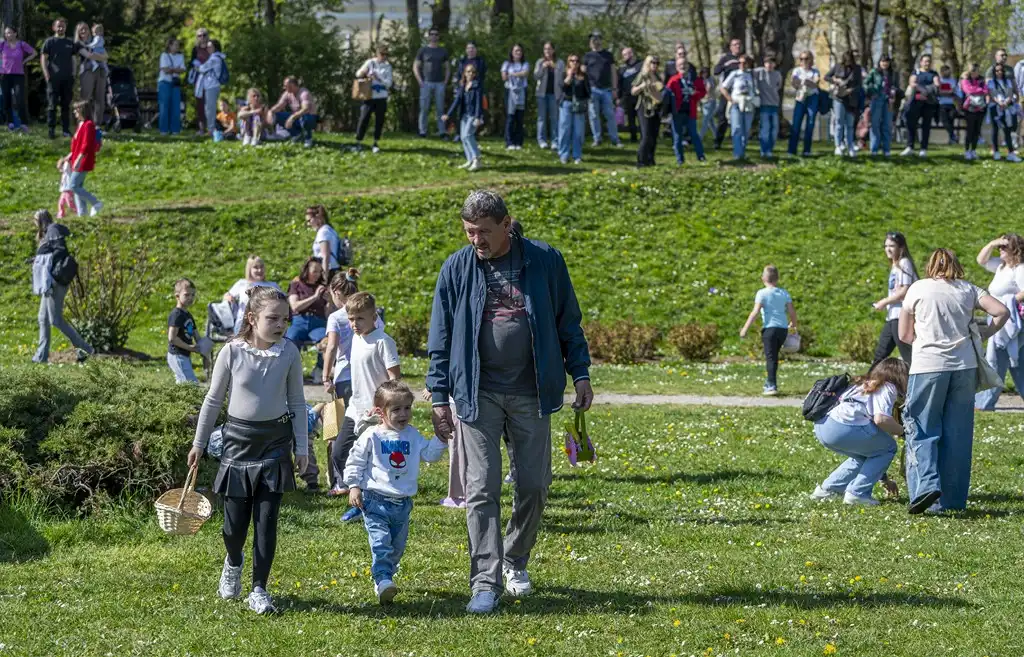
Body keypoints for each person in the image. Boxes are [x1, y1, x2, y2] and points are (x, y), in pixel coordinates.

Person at [427, 190, 593, 614]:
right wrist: (439, 395)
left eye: (484, 232)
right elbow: (441, 337)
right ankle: (485, 582)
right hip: (476, 393)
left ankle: (514, 561)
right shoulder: (457, 267)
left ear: (507, 224)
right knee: (481, 490)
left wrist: (581, 373)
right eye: (469, 232)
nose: (476, 240)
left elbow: (567, 320)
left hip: (532, 393)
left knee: (535, 486)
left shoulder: (544, 260)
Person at [188, 286, 308, 615]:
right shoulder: (232, 351)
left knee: (267, 522)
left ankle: (259, 589)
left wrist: (302, 446)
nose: (281, 325)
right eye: (273, 318)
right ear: (252, 319)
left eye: (285, 319)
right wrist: (199, 443)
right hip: (238, 443)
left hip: (275, 444)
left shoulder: (289, 353)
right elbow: (213, 400)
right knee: (233, 527)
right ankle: (234, 561)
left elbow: (297, 401)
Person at [899, 249, 1009, 514]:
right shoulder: (968, 290)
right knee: (958, 435)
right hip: (964, 367)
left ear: (930, 266)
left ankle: (926, 488)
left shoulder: (918, 288)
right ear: (956, 265)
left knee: (922, 428)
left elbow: (904, 334)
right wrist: (986, 332)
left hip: (928, 366)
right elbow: (1002, 311)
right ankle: (954, 499)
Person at [343, 380, 448, 604]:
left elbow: (429, 454)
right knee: (381, 543)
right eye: (396, 409)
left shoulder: (412, 435)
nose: (404, 414)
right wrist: (353, 485)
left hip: (402, 504)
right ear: (381, 412)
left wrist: (440, 438)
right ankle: (382, 580)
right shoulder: (372, 435)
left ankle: (386, 574)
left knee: (396, 549)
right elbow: (355, 460)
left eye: (407, 408)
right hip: (375, 502)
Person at [330, 292, 401, 523]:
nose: (354, 324)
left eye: (359, 319)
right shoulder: (357, 340)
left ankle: (368, 505)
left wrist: (382, 406)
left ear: (374, 316)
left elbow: (395, 381)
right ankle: (359, 497)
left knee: (376, 463)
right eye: (351, 319)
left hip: (376, 414)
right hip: (355, 410)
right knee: (339, 453)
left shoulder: (383, 341)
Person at [810, 358, 909, 506]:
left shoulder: (864, 384)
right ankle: (858, 493)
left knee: (864, 456)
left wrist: (884, 479)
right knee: (889, 447)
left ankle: (828, 490)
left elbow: (874, 450)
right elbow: (881, 419)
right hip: (843, 427)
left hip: (823, 426)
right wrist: (905, 432)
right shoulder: (887, 386)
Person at [321, 269, 378, 494]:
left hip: (345, 376)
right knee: (365, 427)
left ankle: (344, 481)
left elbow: (332, 347)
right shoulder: (372, 314)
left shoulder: (336, 317)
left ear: (335, 292)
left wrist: (326, 376)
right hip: (368, 377)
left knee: (341, 430)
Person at [30, 209, 94, 364]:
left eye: (35, 219)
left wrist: (44, 260)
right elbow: (52, 253)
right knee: (42, 318)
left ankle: (85, 349)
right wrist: (37, 259)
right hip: (50, 281)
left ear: (41, 219)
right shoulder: (48, 232)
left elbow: (60, 251)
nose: (33, 222)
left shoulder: (53, 229)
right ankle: (41, 357)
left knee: (56, 320)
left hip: (55, 282)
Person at [974, 235, 1024, 411]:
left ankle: (984, 403)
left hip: (1011, 321)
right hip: (999, 318)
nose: (1000, 250)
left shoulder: (1019, 269)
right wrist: (992, 242)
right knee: (1015, 362)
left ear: (1014, 249)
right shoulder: (1001, 267)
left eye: (1004, 247)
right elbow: (981, 260)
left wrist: (1008, 302)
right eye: (999, 248)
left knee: (998, 360)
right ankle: (984, 402)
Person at [739, 264, 798, 396]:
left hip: (769, 329)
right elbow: (792, 312)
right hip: (782, 330)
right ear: (777, 278)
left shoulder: (762, 293)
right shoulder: (784, 293)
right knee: (774, 357)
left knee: (770, 358)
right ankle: (770, 382)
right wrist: (793, 325)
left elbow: (755, 312)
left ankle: (771, 385)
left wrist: (745, 328)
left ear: (763, 278)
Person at [871, 232, 918, 369]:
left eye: (892, 245)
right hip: (892, 316)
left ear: (901, 247)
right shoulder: (895, 265)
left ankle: (917, 384)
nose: (888, 249)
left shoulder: (904, 263)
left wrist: (884, 302)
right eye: (886, 246)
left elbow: (904, 291)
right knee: (880, 355)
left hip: (902, 316)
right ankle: (867, 384)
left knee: (908, 355)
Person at [40, 18, 91, 139]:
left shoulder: (70, 42)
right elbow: (43, 58)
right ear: (54, 27)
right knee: (52, 105)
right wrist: (46, 74)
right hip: (53, 79)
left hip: (68, 79)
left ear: (65, 28)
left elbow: (74, 59)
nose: (60, 28)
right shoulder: (49, 42)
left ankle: (65, 130)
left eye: (62, 26)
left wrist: (74, 73)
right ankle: (51, 130)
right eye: (58, 26)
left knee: (66, 105)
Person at [285, 258, 331, 379]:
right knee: (290, 340)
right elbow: (295, 307)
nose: (317, 274)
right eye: (314, 271)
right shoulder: (296, 285)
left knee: (329, 341)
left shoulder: (322, 287)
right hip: (299, 321)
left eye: (320, 271)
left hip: (318, 323)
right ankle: (291, 372)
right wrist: (315, 297)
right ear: (306, 270)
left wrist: (330, 301)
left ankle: (320, 369)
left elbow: (327, 314)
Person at [57, 100, 102, 217]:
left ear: (82, 110)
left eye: (76, 109)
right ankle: (82, 214)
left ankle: (96, 203)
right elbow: (76, 146)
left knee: (73, 186)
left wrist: (78, 159)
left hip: (83, 160)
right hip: (77, 159)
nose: (74, 112)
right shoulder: (81, 124)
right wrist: (68, 157)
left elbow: (86, 145)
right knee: (78, 187)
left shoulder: (88, 125)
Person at [442, 64, 484, 171]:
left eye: (473, 72)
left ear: (475, 74)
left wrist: (478, 117)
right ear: (464, 73)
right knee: (463, 137)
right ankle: (470, 160)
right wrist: (448, 114)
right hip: (464, 115)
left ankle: (477, 159)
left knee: (468, 135)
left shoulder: (477, 85)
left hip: (473, 115)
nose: (470, 74)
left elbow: (479, 102)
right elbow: (457, 101)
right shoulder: (463, 86)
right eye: (468, 71)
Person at [583, 31, 621, 147]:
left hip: (607, 90)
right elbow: (582, 73)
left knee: (610, 115)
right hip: (592, 89)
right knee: (593, 115)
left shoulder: (608, 55)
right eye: (593, 39)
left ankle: (615, 140)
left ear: (601, 40)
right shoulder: (587, 56)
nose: (595, 41)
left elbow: (613, 72)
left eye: (597, 39)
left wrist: (615, 89)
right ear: (590, 42)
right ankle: (597, 139)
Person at [667, 53, 706, 164]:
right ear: (676, 67)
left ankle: (701, 156)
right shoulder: (673, 80)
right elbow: (667, 94)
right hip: (677, 112)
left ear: (688, 66)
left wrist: (695, 94)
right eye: (680, 65)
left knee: (694, 134)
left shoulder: (694, 79)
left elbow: (703, 92)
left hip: (690, 111)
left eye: (684, 64)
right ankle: (680, 160)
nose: (682, 66)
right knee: (677, 136)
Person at [355, 45, 393, 154]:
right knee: (364, 118)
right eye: (382, 54)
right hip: (369, 96)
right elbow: (358, 74)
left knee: (379, 120)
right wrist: (364, 72)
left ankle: (375, 143)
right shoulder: (370, 62)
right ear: (377, 54)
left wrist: (379, 78)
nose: (384, 57)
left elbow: (389, 83)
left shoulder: (388, 67)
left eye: (386, 55)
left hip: (381, 96)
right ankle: (359, 141)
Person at [825, 51, 863, 157]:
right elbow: (826, 77)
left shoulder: (857, 69)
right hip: (838, 98)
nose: (848, 63)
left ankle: (850, 146)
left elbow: (859, 85)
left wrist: (850, 90)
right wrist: (835, 80)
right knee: (839, 122)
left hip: (851, 99)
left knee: (850, 124)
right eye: (846, 61)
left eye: (850, 61)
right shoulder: (837, 66)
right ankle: (838, 146)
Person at [901, 54, 939, 158]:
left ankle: (923, 149)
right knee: (911, 124)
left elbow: (937, 85)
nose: (927, 63)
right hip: (915, 102)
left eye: (929, 61)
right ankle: (910, 147)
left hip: (928, 103)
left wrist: (926, 91)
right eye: (925, 61)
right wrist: (922, 89)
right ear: (921, 62)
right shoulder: (916, 72)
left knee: (926, 126)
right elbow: (912, 83)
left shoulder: (934, 73)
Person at [414, 27, 449, 139]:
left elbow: (448, 67)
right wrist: (420, 81)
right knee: (424, 108)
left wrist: (445, 81)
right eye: (432, 34)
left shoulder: (443, 51)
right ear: (428, 36)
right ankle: (422, 131)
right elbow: (415, 66)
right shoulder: (423, 50)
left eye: (436, 34)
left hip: (439, 84)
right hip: (426, 83)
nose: (434, 36)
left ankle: (442, 132)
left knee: (440, 108)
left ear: (438, 37)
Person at [720, 54, 756, 160]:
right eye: (739, 62)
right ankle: (737, 153)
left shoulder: (752, 75)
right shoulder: (734, 74)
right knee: (736, 128)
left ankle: (742, 153)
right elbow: (723, 87)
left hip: (748, 104)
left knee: (746, 130)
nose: (742, 65)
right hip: (736, 104)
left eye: (744, 63)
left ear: (748, 64)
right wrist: (730, 99)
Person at [1, 26, 36, 133]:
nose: (8, 35)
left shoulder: (21, 44)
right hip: (5, 75)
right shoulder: (2, 45)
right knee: (7, 99)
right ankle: (10, 123)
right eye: (6, 33)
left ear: (15, 33)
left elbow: (34, 53)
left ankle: (24, 124)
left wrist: (25, 61)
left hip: (18, 75)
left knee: (20, 99)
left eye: (10, 33)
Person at [168, 278, 203, 384]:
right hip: (177, 355)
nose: (190, 298)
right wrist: (189, 347)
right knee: (189, 383)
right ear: (177, 296)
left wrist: (204, 346)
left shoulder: (187, 315)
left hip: (185, 355)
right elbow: (172, 338)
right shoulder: (176, 315)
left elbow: (196, 334)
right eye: (187, 295)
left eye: (193, 295)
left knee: (185, 382)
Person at [631, 55, 664, 168]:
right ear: (647, 63)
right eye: (652, 62)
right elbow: (633, 91)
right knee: (646, 136)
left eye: (657, 63)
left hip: (656, 107)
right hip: (644, 107)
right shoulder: (643, 75)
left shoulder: (658, 76)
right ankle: (641, 161)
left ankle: (650, 160)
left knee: (654, 136)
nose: (655, 65)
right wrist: (642, 86)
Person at [268, 76, 319, 147]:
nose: (284, 88)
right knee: (277, 115)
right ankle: (296, 134)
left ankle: (308, 139)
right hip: (297, 117)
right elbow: (279, 106)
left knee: (306, 118)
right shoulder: (287, 93)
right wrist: (271, 111)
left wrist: (292, 117)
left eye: (286, 86)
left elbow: (305, 109)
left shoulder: (304, 93)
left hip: (310, 117)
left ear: (292, 85)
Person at [558, 53, 589, 165]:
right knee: (565, 130)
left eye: (576, 61)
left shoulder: (583, 75)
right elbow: (563, 87)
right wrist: (570, 75)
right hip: (566, 103)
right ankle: (564, 155)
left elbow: (587, 91)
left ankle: (577, 156)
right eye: (572, 60)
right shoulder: (563, 73)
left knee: (578, 132)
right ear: (568, 62)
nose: (574, 63)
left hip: (579, 105)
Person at [788, 51, 820, 156]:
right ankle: (792, 150)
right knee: (796, 124)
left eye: (806, 58)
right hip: (800, 98)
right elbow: (794, 83)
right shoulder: (796, 70)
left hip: (812, 98)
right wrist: (805, 82)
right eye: (801, 59)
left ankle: (807, 150)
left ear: (811, 60)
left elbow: (815, 83)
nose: (804, 61)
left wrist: (805, 82)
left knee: (810, 124)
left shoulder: (815, 71)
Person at [713, 38, 744, 150]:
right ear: (731, 47)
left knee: (741, 118)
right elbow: (716, 71)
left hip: (741, 93)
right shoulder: (726, 58)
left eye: (739, 44)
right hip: (727, 91)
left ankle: (739, 142)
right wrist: (725, 65)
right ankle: (718, 141)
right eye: (735, 45)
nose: (737, 46)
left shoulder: (744, 58)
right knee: (722, 117)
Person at [452, 42, 486, 142]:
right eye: (468, 48)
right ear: (466, 50)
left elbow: (482, 76)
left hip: (476, 90)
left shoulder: (480, 61)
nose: (470, 50)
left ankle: (474, 133)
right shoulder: (462, 61)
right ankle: (459, 133)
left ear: (476, 50)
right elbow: (459, 75)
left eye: (472, 48)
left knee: (476, 110)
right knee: (461, 111)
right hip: (464, 89)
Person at [864, 55, 897, 156]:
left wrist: (894, 92)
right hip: (877, 99)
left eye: (886, 62)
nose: (885, 63)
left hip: (888, 100)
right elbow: (865, 84)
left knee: (887, 125)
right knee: (875, 124)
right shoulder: (874, 72)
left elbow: (896, 86)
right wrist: (873, 90)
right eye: (883, 61)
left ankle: (886, 150)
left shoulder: (893, 73)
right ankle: (874, 149)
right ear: (879, 62)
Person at [75, 22, 107, 125]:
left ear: (90, 31)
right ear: (78, 32)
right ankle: (83, 122)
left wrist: (101, 56)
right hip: (87, 71)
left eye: (86, 29)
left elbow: (106, 55)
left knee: (100, 99)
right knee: (85, 98)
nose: (84, 31)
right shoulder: (78, 44)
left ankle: (97, 124)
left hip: (100, 71)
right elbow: (89, 55)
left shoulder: (96, 40)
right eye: (81, 30)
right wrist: (101, 57)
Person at [533, 42, 564, 150]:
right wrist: (543, 67)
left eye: (549, 49)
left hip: (554, 94)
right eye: (545, 49)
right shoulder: (540, 62)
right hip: (541, 94)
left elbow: (562, 79)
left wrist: (555, 68)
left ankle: (555, 141)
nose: (547, 51)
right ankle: (541, 140)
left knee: (554, 118)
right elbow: (536, 76)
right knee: (541, 118)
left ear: (553, 50)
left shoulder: (559, 62)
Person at [987, 63, 1020, 162]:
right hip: (995, 107)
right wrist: (999, 102)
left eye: (1001, 70)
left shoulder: (1008, 82)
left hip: (1006, 107)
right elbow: (992, 94)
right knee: (995, 130)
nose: (999, 72)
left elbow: (1010, 93)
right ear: (994, 72)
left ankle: (1011, 153)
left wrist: (1006, 102)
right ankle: (996, 151)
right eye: (997, 71)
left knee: (1007, 130)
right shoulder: (991, 82)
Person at [193, 40, 225, 138]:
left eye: (210, 47)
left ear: (215, 47)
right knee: (209, 108)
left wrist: (196, 66)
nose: (208, 48)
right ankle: (211, 129)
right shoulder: (215, 57)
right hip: (211, 86)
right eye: (207, 47)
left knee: (210, 109)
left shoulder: (214, 58)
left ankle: (211, 131)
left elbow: (202, 68)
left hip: (212, 86)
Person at [753, 52, 781, 157]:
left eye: (771, 63)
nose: (769, 65)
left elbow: (778, 86)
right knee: (765, 128)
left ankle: (770, 149)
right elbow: (748, 72)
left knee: (774, 130)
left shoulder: (777, 74)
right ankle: (763, 150)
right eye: (767, 63)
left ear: (775, 64)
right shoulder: (759, 72)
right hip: (764, 105)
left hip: (774, 105)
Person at [501, 44, 529, 150]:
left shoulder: (525, 63)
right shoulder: (507, 64)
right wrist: (517, 74)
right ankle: (509, 142)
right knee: (510, 117)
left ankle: (519, 142)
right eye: (516, 51)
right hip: (510, 91)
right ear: (512, 52)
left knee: (520, 118)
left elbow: (525, 73)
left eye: (520, 51)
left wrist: (512, 74)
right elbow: (504, 77)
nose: (518, 53)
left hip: (522, 91)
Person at [305, 204, 342, 281]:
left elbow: (325, 256)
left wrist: (324, 276)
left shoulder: (323, 232)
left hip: (329, 271)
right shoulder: (329, 229)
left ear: (318, 217)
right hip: (333, 269)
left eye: (309, 220)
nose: (308, 224)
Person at [960, 64, 988, 161]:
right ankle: (967, 150)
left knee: (977, 130)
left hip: (980, 107)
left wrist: (976, 90)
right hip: (969, 108)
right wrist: (978, 90)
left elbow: (985, 90)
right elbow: (967, 89)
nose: (974, 71)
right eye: (972, 70)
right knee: (970, 130)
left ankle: (973, 150)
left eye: (976, 70)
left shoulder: (982, 79)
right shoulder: (965, 79)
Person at [157, 38, 185, 135]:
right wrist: (175, 69)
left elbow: (182, 70)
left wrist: (171, 69)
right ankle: (164, 130)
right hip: (164, 82)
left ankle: (175, 129)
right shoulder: (164, 55)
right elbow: (165, 69)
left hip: (175, 83)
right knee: (164, 106)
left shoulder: (180, 56)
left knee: (175, 106)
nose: (177, 47)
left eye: (178, 45)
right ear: (170, 46)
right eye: (175, 45)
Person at [617, 47, 642, 143]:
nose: (624, 57)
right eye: (623, 55)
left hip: (640, 95)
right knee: (631, 118)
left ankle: (643, 136)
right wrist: (618, 97)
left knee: (641, 117)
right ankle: (633, 137)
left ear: (631, 54)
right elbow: (619, 84)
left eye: (625, 54)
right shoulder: (622, 69)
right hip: (627, 97)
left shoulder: (641, 65)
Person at [190, 27, 211, 135]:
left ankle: (211, 128)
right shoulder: (195, 49)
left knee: (210, 103)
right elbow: (191, 64)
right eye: (199, 35)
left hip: (211, 79)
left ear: (207, 36)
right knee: (200, 104)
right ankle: (201, 128)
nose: (202, 37)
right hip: (199, 79)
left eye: (204, 35)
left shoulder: (211, 47)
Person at [937, 65, 958, 145]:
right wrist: (947, 92)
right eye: (947, 71)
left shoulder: (952, 81)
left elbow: (953, 91)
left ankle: (951, 139)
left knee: (951, 120)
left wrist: (944, 92)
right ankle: (953, 136)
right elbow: (938, 92)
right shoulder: (939, 80)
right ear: (942, 72)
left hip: (951, 104)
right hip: (941, 104)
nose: (949, 73)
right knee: (945, 121)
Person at [698, 66, 717, 143]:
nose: (704, 74)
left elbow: (708, 88)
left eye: (706, 72)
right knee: (710, 121)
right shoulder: (702, 80)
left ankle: (700, 137)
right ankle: (717, 136)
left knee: (705, 120)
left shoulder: (710, 79)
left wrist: (704, 94)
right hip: (704, 102)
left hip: (710, 101)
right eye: (703, 72)